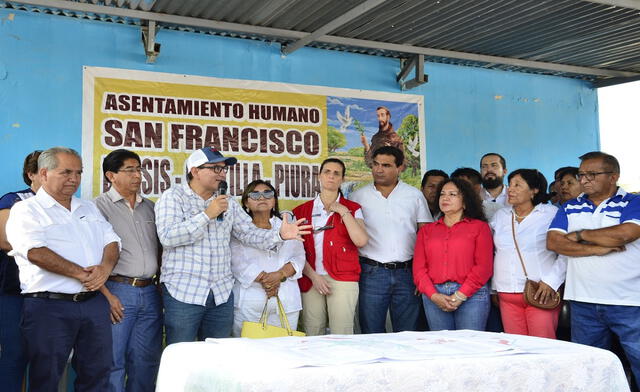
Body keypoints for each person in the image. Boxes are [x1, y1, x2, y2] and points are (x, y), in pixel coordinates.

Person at [155, 147, 310, 344]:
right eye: (216, 169)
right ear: (194, 171)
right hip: (185, 292)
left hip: (221, 294)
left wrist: (279, 234)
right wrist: (207, 215)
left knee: (217, 357)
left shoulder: (228, 202)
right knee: (181, 353)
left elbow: (248, 234)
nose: (222, 174)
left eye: (224, 169)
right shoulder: (173, 197)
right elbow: (168, 237)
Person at [6, 147, 121, 392]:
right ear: (44, 173)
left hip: (92, 304)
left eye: (78, 173)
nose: (74, 179)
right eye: (66, 172)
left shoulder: (88, 208)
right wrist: (83, 274)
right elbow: (34, 252)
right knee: (46, 376)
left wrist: (105, 267)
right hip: (49, 307)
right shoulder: (26, 209)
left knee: (97, 372)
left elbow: (112, 241)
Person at [547, 151, 640, 386]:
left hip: (629, 302)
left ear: (613, 177)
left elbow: (625, 234)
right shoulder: (570, 207)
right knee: (589, 368)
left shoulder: (633, 202)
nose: (584, 180)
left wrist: (580, 235)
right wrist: (597, 248)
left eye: (592, 174)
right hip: (583, 302)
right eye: (582, 175)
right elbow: (555, 242)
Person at [94, 149, 162, 392]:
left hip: (150, 291)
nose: (137, 175)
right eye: (130, 170)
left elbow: (162, 249)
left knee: (146, 361)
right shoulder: (97, 208)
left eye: (139, 169)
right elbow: (90, 258)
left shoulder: (151, 208)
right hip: (117, 290)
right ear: (111, 176)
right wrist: (106, 295)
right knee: (113, 361)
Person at [350, 146, 432, 333]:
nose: (378, 169)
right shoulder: (358, 196)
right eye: (375, 164)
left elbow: (425, 235)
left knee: (408, 332)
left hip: (408, 273)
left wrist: (423, 274)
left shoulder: (414, 195)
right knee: (371, 331)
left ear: (400, 167)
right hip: (371, 273)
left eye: (386, 165)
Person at [293, 158, 368, 335]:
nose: (331, 176)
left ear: (342, 179)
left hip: (343, 278)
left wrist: (343, 211)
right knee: (313, 331)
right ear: (319, 176)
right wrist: (313, 276)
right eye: (327, 172)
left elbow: (361, 241)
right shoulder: (301, 210)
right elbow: (295, 250)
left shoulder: (353, 208)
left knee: (342, 332)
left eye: (336, 173)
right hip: (311, 277)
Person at [491, 169, 566, 339]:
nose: (511, 189)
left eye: (518, 185)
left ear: (534, 190)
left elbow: (566, 252)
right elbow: (496, 253)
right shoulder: (500, 216)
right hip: (506, 292)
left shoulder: (550, 214)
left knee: (543, 346)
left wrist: (551, 282)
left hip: (541, 292)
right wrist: (494, 288)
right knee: (516, 348)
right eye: (510, 185)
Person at [413, 178, 493, 331]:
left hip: (472, 295)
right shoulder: (427, 231)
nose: (445, 198)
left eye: (452, 194)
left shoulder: (479, 228)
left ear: (465, 201)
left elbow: (484, 267)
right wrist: (434, 296)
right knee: (442, 347)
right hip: (434, 294)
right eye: (442, 194)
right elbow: (419, 269)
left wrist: (460, 295)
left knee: (470, 347)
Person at [230, 180, 306, 336]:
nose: (262, 198)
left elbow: (298, 257)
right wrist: (268, 281)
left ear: (274, 200)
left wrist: (279, 276)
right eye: (255, 194)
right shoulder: (237, 228)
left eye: (267, 193)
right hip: (250, 300)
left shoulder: (287, 226)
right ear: (246, 202)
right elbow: (235, 260)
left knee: (284, 352)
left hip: (286, 300)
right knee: (248, 351)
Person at [0, 150, 41, 392]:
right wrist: (48, 255)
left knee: (44, 356)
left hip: (50, 293)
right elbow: (4, 240)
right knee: (15, 354)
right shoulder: (14, 199)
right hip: (14, 292)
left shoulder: (67, 205)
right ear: (31, 174)